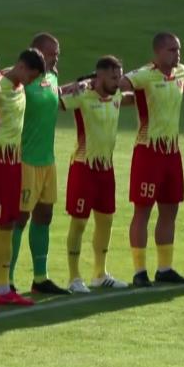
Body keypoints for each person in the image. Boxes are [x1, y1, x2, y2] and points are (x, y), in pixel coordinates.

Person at [118, 32, 184, 287]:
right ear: (158, 53)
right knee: (143, 210)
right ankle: (139, 271)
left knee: (170, 209)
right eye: (172, 50)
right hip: (148, 152)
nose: (177, 54)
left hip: (171, 153)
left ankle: (165, 268)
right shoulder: (144, 74)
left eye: (179, 49)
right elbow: (121, 84)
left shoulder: (180, 72)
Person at [0, 49, 47, 310]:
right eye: (30, 75)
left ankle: (4, 287)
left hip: (13, 164)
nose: (30, 81)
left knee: (8, 223)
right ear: (21, 66)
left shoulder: (17, 84)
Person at [60, 55, 134, 292]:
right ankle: (74, 278)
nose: (118, 81)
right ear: (99, 75)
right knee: (79, 223)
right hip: (84, 167)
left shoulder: (117, 97)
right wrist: (73, 86)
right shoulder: (82, 96)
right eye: (113, 77)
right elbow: (57, 101)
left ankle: (100, 274)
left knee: (106, 221)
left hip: (106, 169)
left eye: (120, 76)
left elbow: (134, 96)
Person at [9, 33, 70, 296]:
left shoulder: (52, 76)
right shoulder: (23, 81)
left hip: (48, 160)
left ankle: (40, 278)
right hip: (26, 161)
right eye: (50, 52)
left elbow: (54, 98)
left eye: (57, 53)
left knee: (44, 215)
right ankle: (7, 280)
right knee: (19, 219)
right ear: (35, 52)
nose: (55, 57)